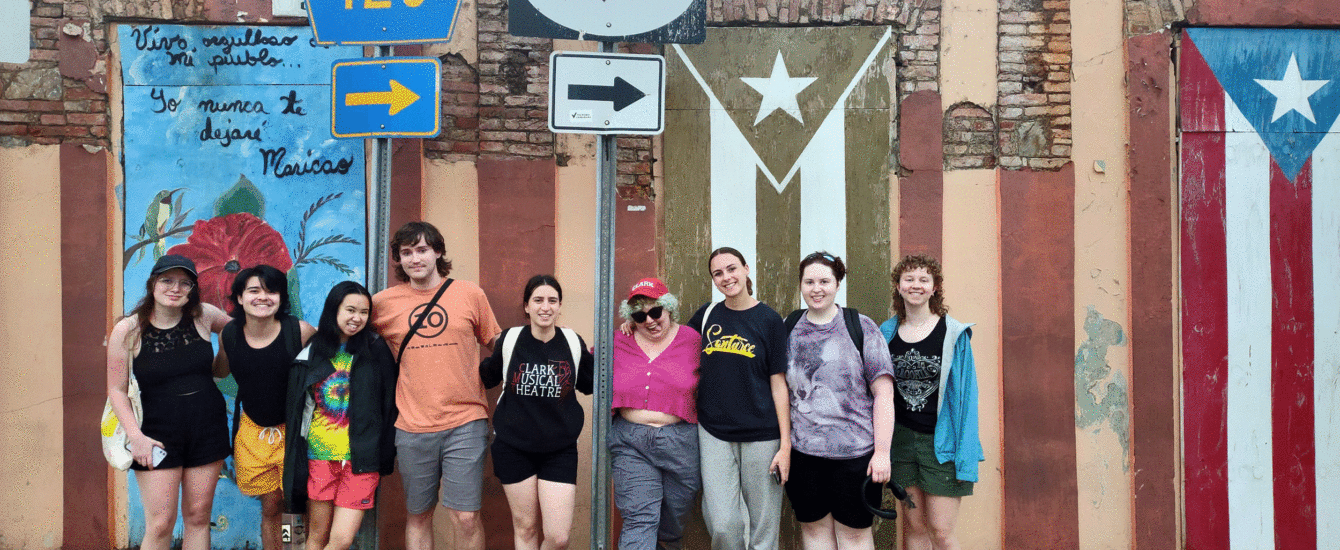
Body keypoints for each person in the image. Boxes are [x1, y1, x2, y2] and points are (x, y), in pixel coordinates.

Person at [370, 221, 502, 550]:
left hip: (466, 420)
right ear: (398, 260)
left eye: (422, 249)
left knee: (466, 516)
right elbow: (346, 334)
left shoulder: (470, 294)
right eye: (406, 252)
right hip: (412, 424)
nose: (415, 258)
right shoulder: (382, 303)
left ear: (438, 252)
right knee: (418, 514)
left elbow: (497, 342)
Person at [105, 254, 233, 550]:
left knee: (198, 517)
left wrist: (223, 358)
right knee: (160, 524)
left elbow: (233, 330)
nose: (175, 288)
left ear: (192, 289)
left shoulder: (205, 315)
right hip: (155, 435)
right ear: (152, 284)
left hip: (207, 429)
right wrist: (135, 438)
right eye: (167, 280)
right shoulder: (128, 329)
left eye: (184, 282)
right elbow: (116, 391)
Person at [784, 252, 895, 550]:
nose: (816, 288)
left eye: (824, 281)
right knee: (815, 532)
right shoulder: (790, 327)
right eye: (809, 282)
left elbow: (884, 394)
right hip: (805, 455)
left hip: (855, 457)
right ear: (801, 285)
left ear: (837, 283)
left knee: (854, 536)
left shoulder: (861, 327)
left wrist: (882, 453)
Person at [480, 275, 594, 550]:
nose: (545, 307)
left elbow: (589, 384)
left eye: (552, 300)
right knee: (526, 529)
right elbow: (487, 377)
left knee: (558, 538)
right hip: (513, 446)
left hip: (560, 448)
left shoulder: (571, 341)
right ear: (527, 307)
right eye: (538, 300)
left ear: (559, 306)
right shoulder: (510, 340)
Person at [687, 248, 790, 550]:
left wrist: (785, 445)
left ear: (746, 269)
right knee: (724, 524)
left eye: (732, 269)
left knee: (763, 526)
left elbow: (779, 384)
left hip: (763, 434)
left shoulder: (770, 320)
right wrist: (634, 325)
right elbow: (672, 344)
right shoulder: (707, 315)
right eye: (718, 273)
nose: (726, 277)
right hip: (714, 431)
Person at [283, 281, 398, 550]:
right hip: (318, 457)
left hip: (361, 459)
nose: (357, 318)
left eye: (364, 312)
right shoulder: (311, 350)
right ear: (334, 309)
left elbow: (389, 403)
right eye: (350, 310)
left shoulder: (375, 349)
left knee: (341, 540)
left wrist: (384, 452)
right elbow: (296, 406)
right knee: (313, 536)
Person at [879, 255, 981, 550]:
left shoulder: (953, 334)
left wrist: (966, 450)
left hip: (941, 442)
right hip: (901, 442)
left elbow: (966, 398)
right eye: (909, 279)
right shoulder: (886, 333)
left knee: (941, 531)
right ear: (898, 286)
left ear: (935, 288)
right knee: (915, 526)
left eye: (924, 280)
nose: (916, 285)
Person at [213, 265, 316, 550]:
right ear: (240, 298)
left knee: (293, 507)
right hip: (253, 432)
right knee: (271, 506)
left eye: (271, 291)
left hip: (295, 435)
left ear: (282, 298)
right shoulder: (230, 335)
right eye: (254, 291)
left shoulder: (301, 332)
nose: (263, 297)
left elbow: (330, 374)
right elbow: (220, 370)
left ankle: (293, 548)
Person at [610, 277, 702, 550]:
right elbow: (584, 362)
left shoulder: (692, 340)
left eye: (655, 312)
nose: (649, 320)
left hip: (681, 442)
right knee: (640, 519)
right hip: (631, 442)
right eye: (639, 315)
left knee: (673, 523)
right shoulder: (619, 340)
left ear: (668, 308)